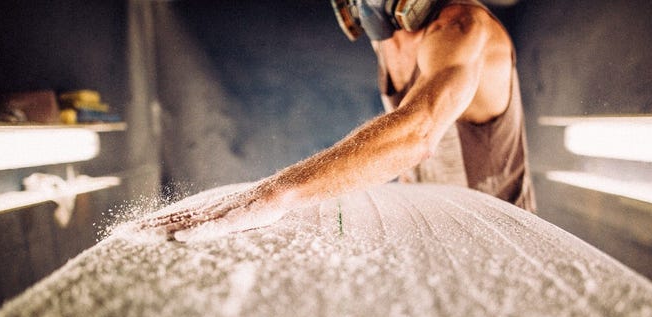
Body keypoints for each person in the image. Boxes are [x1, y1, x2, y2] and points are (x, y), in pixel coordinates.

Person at [141, 0, 535, 240]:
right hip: (438, 223)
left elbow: (418, 133)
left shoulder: (463, 28)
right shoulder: (389, 41)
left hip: (500, 230)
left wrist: (279, 192)